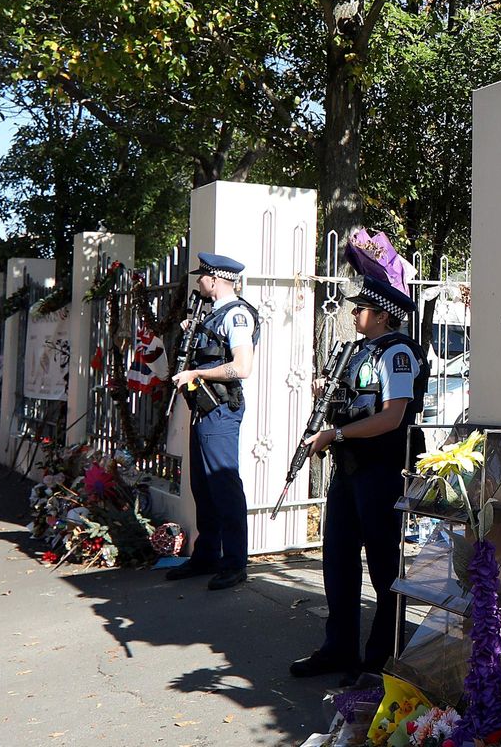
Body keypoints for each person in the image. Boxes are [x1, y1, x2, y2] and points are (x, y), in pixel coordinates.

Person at [291, 274, 427, 681]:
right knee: (338, 559)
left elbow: (392, 417)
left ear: (383, 315)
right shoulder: (358, 350)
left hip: (381, 471)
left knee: (384, 567)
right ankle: (339, 648)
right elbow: (354, 399)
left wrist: (336, 434)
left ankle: (381, 659)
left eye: (361, 309)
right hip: (349, 468)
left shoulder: (397, 352)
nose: (353, 314)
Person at [167, 252, 259, 590]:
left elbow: (242, 367)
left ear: (216, 279)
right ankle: (206, 556)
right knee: (203, 487)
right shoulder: (213, 314)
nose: (199, 282)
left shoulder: (236, 315)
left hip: (220, 408)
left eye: (202, 277)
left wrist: (197, 373)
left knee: (223, 484)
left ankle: (234, 563)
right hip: (205, 408)